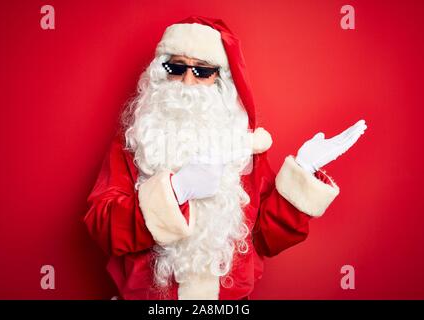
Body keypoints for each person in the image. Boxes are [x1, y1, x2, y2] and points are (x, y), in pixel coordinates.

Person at [83, 16, 367, 300]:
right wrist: (175, 190)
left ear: (221, 79)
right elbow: (101, 227)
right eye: (176, 67)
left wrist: (303, 171)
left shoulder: (244, 148)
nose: (187, 80)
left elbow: (268, 239)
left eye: (202, 71)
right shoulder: (136, 142)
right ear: (161, 72)